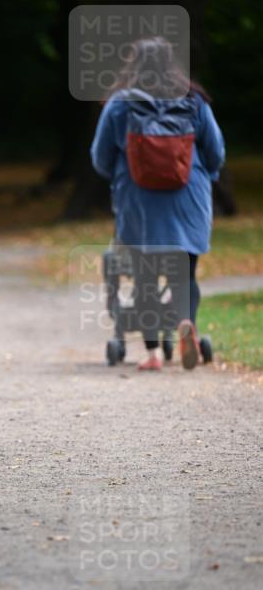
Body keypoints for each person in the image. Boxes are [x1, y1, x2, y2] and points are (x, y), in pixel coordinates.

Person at [90, 37, 225, 370]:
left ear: (133, 65)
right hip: (188, 200)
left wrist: (119, 177)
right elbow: (216, 152)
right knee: (185, 274)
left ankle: (152, 354)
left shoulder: (120, 104)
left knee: (145, 276)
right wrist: (206, 176)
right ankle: (185, 324)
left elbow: (100, 158)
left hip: (139, 202)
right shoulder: (194, 101)